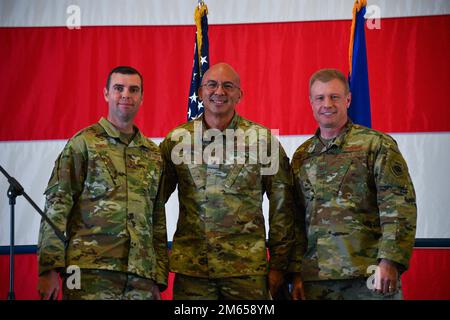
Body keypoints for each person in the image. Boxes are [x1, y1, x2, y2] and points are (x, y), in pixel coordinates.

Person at [160, 63, 295, 300]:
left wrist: (279, 265)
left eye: (228, 86)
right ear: (200, 92)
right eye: (211, 85)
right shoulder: (177, 141)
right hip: (193, 273)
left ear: (239, 94)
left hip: (246, 272)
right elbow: (153, 200)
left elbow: (282, 206)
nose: (219, 91)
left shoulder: (263, 142)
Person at [37, 66, 168, 300]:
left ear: (141, 97)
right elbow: (57, 204)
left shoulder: (152, 154)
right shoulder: (83, 144)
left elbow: (156, 218)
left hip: (141, 276)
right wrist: (48, 268)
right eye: (119, 88)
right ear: (106, 94)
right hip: (87, 273)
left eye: (133, 89)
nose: (126, 95)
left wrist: (157, 278)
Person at [289, 68, 417, 300]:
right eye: (320, 98)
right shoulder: (302, 156)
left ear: (347, 99)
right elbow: (296, 220)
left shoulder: (376, 145)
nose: (327, 104)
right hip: (316, 279)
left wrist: (390, 260)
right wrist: (296, 272)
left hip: (368, 275)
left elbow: (399, 207)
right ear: (311, 102)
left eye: (334, 97)